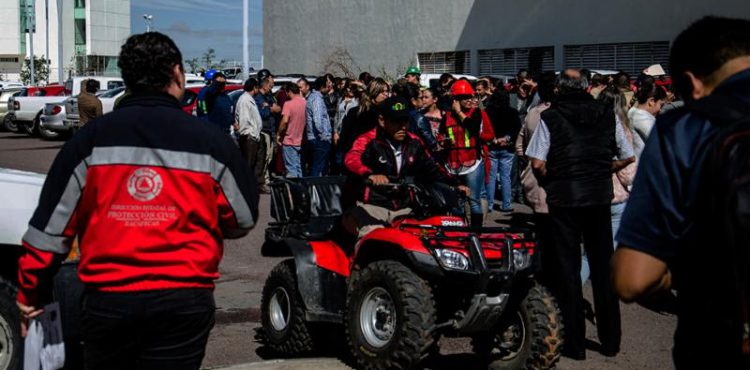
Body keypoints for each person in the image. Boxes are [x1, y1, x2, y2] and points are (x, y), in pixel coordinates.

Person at [15, 32, 259, 370]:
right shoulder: (210, 142)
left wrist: (30, 296)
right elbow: (243, 218)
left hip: (109, 303)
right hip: (183, 302)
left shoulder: (91, 141)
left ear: (128, 79)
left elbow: (48, 233)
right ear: (176, 73)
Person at [613, 16, 750, 369]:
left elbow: (632, 278)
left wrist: (683, 269)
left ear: (692, 83)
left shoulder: (689, 127)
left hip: (720, 340)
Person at [526, 68, 634, 360]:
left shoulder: (551, 116)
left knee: (568, 271)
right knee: (603, 268)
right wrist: (603, 168)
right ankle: (611, 341)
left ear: (560, 89)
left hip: (565, 199)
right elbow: (627, 154)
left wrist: (556, 175)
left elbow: (537, 163)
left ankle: (575, 344)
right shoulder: (606, 113)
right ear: (587, 87)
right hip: (599, 196)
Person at [343, 96, 467, 238]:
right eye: (396, 121)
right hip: (371, 206)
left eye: (405, 121)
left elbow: (432, 167)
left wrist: (455, 184)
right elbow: (351, 159)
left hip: (404, 207)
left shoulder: (414, 142)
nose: (403, 126)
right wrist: (369, 174)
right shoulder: (368, 140)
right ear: (382, 121)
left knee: (422, 238)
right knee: (375, 236)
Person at [441, 79, 495, 229]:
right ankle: (459, 232)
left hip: (472, 163)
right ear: (455, 100)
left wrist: (459, 113)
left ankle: (476, 233)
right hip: (452, 164)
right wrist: (443, 141)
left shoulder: (476, 113)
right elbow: (441, 133)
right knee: (456, 201)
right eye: (464, 98)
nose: (469, 100)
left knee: (474, 200)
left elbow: (473, 129)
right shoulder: (447, 116)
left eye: (470, 97)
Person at [483, 88, 520, 213]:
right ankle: (506, 204)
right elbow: (517, 129)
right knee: (506, 176)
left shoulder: (487, 112)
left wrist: (493, 139)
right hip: (507, 147)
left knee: (491, 176)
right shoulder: (513, 112)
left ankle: (489, 205)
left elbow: (483, 129)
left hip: (491, 146)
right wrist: (507, 138)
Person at [339, 78, 390, 157]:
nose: (386, 94)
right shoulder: (355, 112)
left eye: (387, 91)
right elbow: (344, 136)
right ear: (374, 92)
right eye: (383, 92)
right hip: (358, 154)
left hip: (377, 155)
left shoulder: (386, 113)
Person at [628, 80, 667, 159]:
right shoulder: (641, 117)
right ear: (652, 101)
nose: (660, 110)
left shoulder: (634, 112)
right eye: (661, 105)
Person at [255, 77, 281, 192]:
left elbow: (278, 108)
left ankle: (266, 179)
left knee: (269, 157)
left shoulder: (269, 97)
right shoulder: (258, 98)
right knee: (264, 157)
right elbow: (262, 113)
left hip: (270, 129)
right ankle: (263, 181)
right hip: (263, 130)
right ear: (265, 85)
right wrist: (270, 108)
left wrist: (270, 107)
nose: (272, 87)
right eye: (271, 85)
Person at [277, 83, 307, 177]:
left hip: (289, 140)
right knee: (299, 167)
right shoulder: (305, 103)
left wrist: (279, 133)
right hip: (301, 140)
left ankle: (293, 190)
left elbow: (285, 121)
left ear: (289, 92)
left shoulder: (288, 104)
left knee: (291, 168)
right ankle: (301, 189)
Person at [305, 76, 333, 176]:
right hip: (319, 139)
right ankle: (314, 188)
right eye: (328, 83)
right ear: (322, 86)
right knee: (318, 166)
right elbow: (317, 120)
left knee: (318, 165)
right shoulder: (317, 99)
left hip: (317, 138)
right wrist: (323, 135)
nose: (330, 86)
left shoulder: (315, 97)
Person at [234, 77, 263, 170]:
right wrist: (249, 135)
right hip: (248, 138)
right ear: (254, 87)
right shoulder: (245, 100)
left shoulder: (249, 99)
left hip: (253, 137)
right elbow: (244, 119)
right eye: (257, 88)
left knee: (253, 164)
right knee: (248, 165)